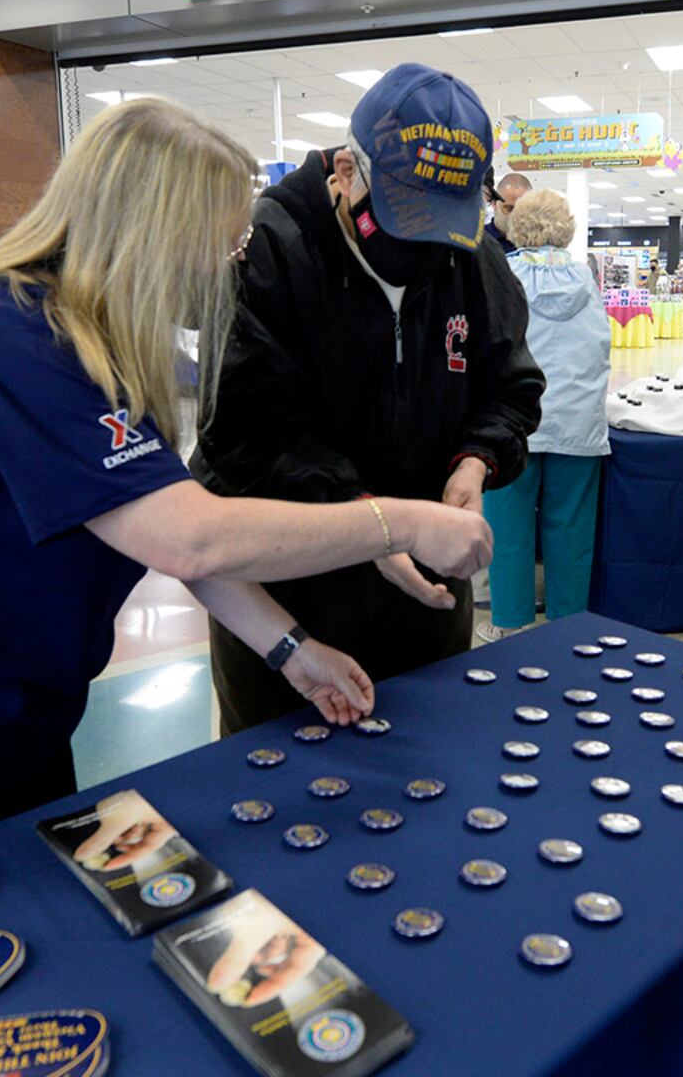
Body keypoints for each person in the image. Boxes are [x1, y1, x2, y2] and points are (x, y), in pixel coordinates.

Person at [0, 98, 493, 888]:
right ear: (155, 231)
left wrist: (291, 649)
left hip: (16, 723)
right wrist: (399, 521)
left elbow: (157, 527)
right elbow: (189, 536)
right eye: (222, 242)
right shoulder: (1, 333)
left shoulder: (105, 351)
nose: (227, 266)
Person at [192, 63, 544, 733]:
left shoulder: (469, 255)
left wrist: (476, 461)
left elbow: (512, 386)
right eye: (404, 220)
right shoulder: (268, 248)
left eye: (438, 228)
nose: (421, 249)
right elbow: (245, 434)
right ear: (347, 173)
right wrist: (370, 520)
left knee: (436, 783)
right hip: (288, 600)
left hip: (426, 600)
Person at [479, 189, 611, 640]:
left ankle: (508, 625)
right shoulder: (585, 278)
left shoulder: (502, 274)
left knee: (508, 530)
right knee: (571, 530)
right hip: (577, 421)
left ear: (517, 226)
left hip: (513, 424)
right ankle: (567, 629)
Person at [482, 169, 532, 254]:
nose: (516, 216)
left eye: (523, 209)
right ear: (494, 204)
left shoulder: (539, 243)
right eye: (509, 208)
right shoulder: (479, 242)